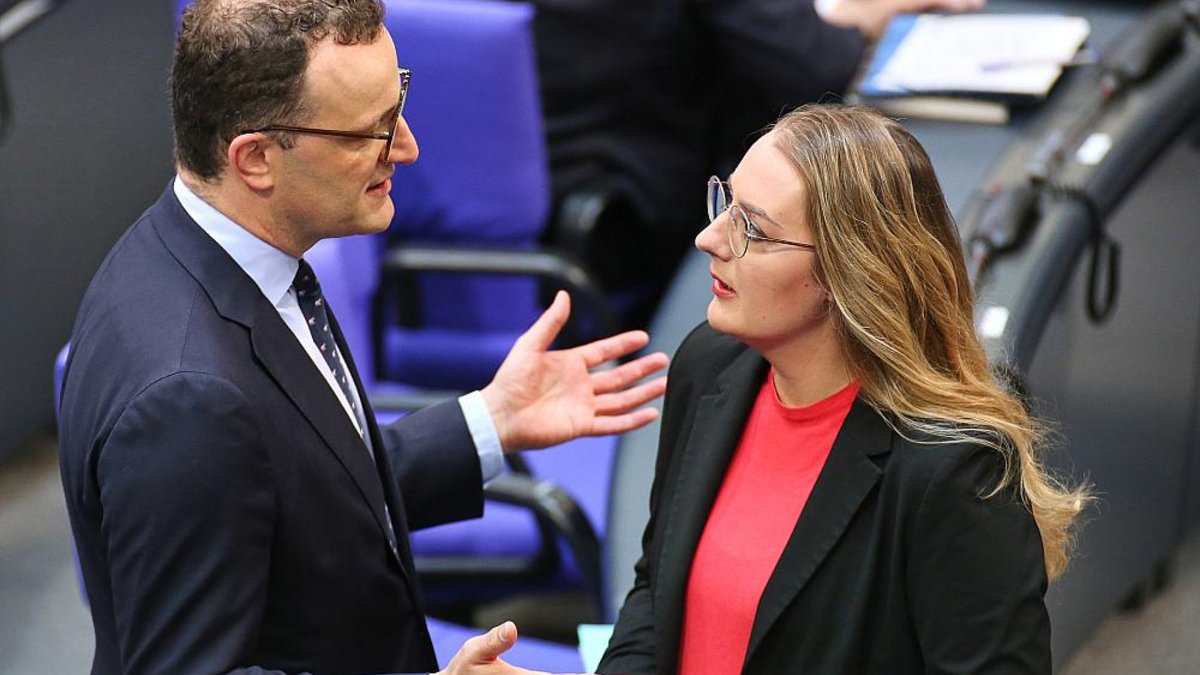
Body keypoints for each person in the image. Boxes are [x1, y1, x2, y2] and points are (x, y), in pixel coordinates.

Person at [56, 2, 666, 675]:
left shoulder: (221, 249)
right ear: (256, 158)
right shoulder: (188, 399)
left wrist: (491, 420)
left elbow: (304, 484)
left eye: (397, 101)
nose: (406, 146)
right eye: (370, 131)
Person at [597, 104, 1089, 675]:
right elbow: (657, 596)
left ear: (845, 274)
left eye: (751, 229)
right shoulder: (708, 368)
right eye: (725, 202)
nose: (710, 238)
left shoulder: (951, 471)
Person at [524, 0, 984, 324]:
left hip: (526, 227)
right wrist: (856, 22)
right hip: (632, 229)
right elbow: (813, 67)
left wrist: (828, 17)